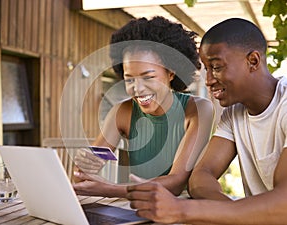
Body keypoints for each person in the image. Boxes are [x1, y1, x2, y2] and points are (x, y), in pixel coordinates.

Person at [126, 18, 287, 224]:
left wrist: (182, 210)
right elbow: (201, 177)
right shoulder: (234, 113)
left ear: (253, 61)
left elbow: (284, 204)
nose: (209, 80)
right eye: (206, 69)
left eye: (217, 67)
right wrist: (231, 213)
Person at [72, 16, 214, 198]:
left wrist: (110, 189)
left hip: (185, 211)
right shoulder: (122, 113)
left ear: (171, 73)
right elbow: (83, 177)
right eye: (129, 79)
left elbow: (176, 183)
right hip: (139, 209)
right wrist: (84, 167)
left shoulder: (198, 110)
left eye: (148, 77)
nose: (137, 89)